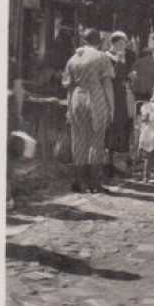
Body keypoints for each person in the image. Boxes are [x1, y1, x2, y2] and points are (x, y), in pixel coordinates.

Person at [61, 28, 114, 193]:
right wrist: (111, 107)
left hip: (76, 97)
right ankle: (94, 183)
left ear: (84, 40)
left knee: (79, 139)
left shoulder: (73, 58)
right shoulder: (102, 57)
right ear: (99, 40)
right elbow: (107, 85)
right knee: (96, 140)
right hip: (95, 96)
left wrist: (69, 107)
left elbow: (67, 86)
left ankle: (78, 181)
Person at [104, 31, 134, 180]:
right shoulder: (107, 57)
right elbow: (113, 76)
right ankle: (107, 166)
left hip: (121, 97)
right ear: (114, 43)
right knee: (111, 129)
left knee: (120, 130)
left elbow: (122, 77)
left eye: (125, 44)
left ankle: (115, 165)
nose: (124, 46)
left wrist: (129, 77)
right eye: (122, 43)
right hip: (112, 97)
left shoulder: (121, 57)